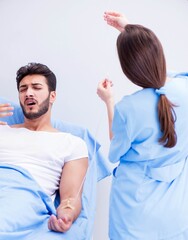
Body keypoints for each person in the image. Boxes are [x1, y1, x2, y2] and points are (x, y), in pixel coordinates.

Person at [97, 11, 188, 239]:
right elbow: (168, 77)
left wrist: (109, 101)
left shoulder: (127, 109)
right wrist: (130, 30)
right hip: (176, 213)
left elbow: (116, 151)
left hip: (134, 215)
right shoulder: (184, 89)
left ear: (128, 69)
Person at [0, 63, 88, 237]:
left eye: (36, 87)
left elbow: (71, 197)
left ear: (52, 95)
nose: (28, 93)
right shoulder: (3, 130)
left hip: (23, 195)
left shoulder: (71, 143)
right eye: (23, 89)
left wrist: (66, 215)